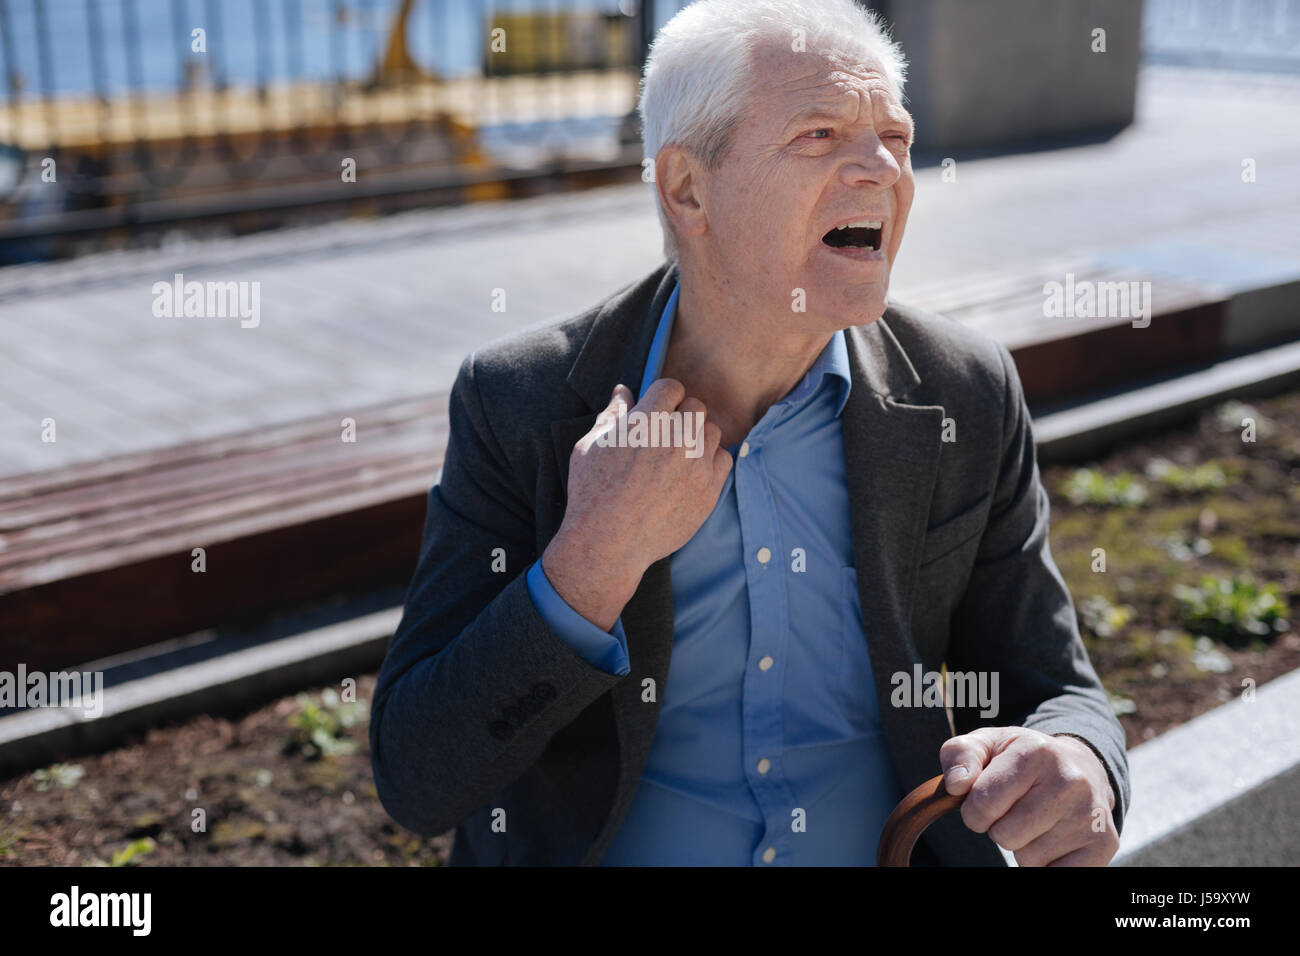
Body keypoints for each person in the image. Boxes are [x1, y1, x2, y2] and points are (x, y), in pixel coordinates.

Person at [370, 0, 1129, 866]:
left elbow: (1059, 688)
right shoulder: (520, 402)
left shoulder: (967, 391)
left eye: (897, 136)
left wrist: (1080, 764)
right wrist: (592, 560)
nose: (882, 169)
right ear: (687, 188)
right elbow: (417, 781)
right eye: (818, 134)